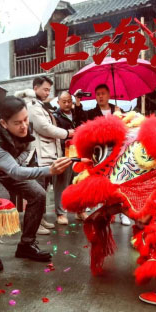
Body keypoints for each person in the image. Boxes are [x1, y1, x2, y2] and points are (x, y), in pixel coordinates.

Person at [0, 96, 72, 272]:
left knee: (38, 194)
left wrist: (12, 163)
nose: (24, 126)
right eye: (18, 123)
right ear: (3, 123)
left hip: (9, 169)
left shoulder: (27, 127)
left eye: (25, 119)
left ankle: (26, 245)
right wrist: (49, 170)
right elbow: (16, 172)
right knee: (1, 199)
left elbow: (27, 152)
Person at [15, 76, 74, 234]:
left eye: (49, 90)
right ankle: (34, 224)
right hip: (37, 153)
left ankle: (39, 219)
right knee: (38, 191)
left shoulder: (40, 104)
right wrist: (67, 133)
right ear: (35, 88)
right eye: (45, 89)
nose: (48, 92)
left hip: (44, 153)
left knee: (42, 189)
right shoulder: (32, 105)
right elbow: (44, 127)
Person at [74, 84, 130, 225]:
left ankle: (124, 212)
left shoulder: (117, 110)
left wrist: (119, 116)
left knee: (120, 179)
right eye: (98, 94)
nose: (100, 96)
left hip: (117, 151)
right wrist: (78, 102)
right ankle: (104, 212)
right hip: (100, 152)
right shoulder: (92, 112)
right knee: (102, 180)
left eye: (103, 93)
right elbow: (80, 119)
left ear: (109, 94)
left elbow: (127, 127)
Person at [53, 91, 87, 225]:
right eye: (64, 101)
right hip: (63, 153)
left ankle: (81, 210)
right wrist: (67, 136)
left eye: (69, 101)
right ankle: (61, 213)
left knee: (80, 182)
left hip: (78, 153)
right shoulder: (55, 116)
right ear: (58, 103)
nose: (67, 104)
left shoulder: (76, 113)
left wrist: (78, 104)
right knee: (61, 184)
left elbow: (84, 121)